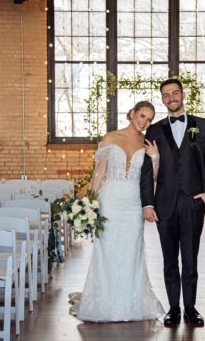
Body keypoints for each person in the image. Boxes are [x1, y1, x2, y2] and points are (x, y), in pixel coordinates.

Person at [69, 100, 165, 322]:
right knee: (107, 249)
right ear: (131, 114)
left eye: (149, 119)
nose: (145, 122)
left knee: (132, 250)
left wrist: (156, 158)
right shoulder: (111, 138)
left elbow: (154, 178)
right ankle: (105, 302)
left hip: (133, 203)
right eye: (142, 116)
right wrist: (90, 201)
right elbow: (99, 172)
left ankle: (130, 303)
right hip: (109, 200)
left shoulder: (147, 144)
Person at [140, 78, 205, 328]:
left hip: (192, 203)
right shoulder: (154, 131)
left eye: (175, 93)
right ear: (162, 100)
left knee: (190, 258)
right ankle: (173, 308)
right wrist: (148, 204)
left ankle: (191, 308)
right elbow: (146, 170)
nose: (171, 98)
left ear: (183, 95)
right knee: (168, 260)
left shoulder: (203, 126)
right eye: (166, 95)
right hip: (164, 204)